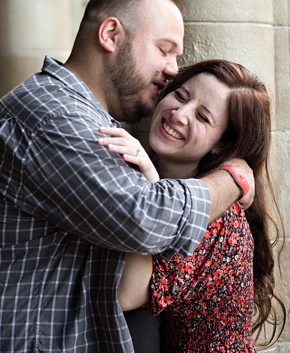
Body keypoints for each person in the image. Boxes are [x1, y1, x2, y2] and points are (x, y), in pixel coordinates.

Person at [0, 0, 256, 352]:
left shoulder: (84, 118)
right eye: (164, 49)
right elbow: (144, 220)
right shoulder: (53, 118)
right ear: (110, 35)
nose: (173, 69)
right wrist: (235, 178)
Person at [106, 60, 285, 352]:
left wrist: (150, 191)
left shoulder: (219, 218)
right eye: (181, 96)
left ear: (222, 146)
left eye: (203, 117)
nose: (179, 114)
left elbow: (128, 294)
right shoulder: (148, 167)